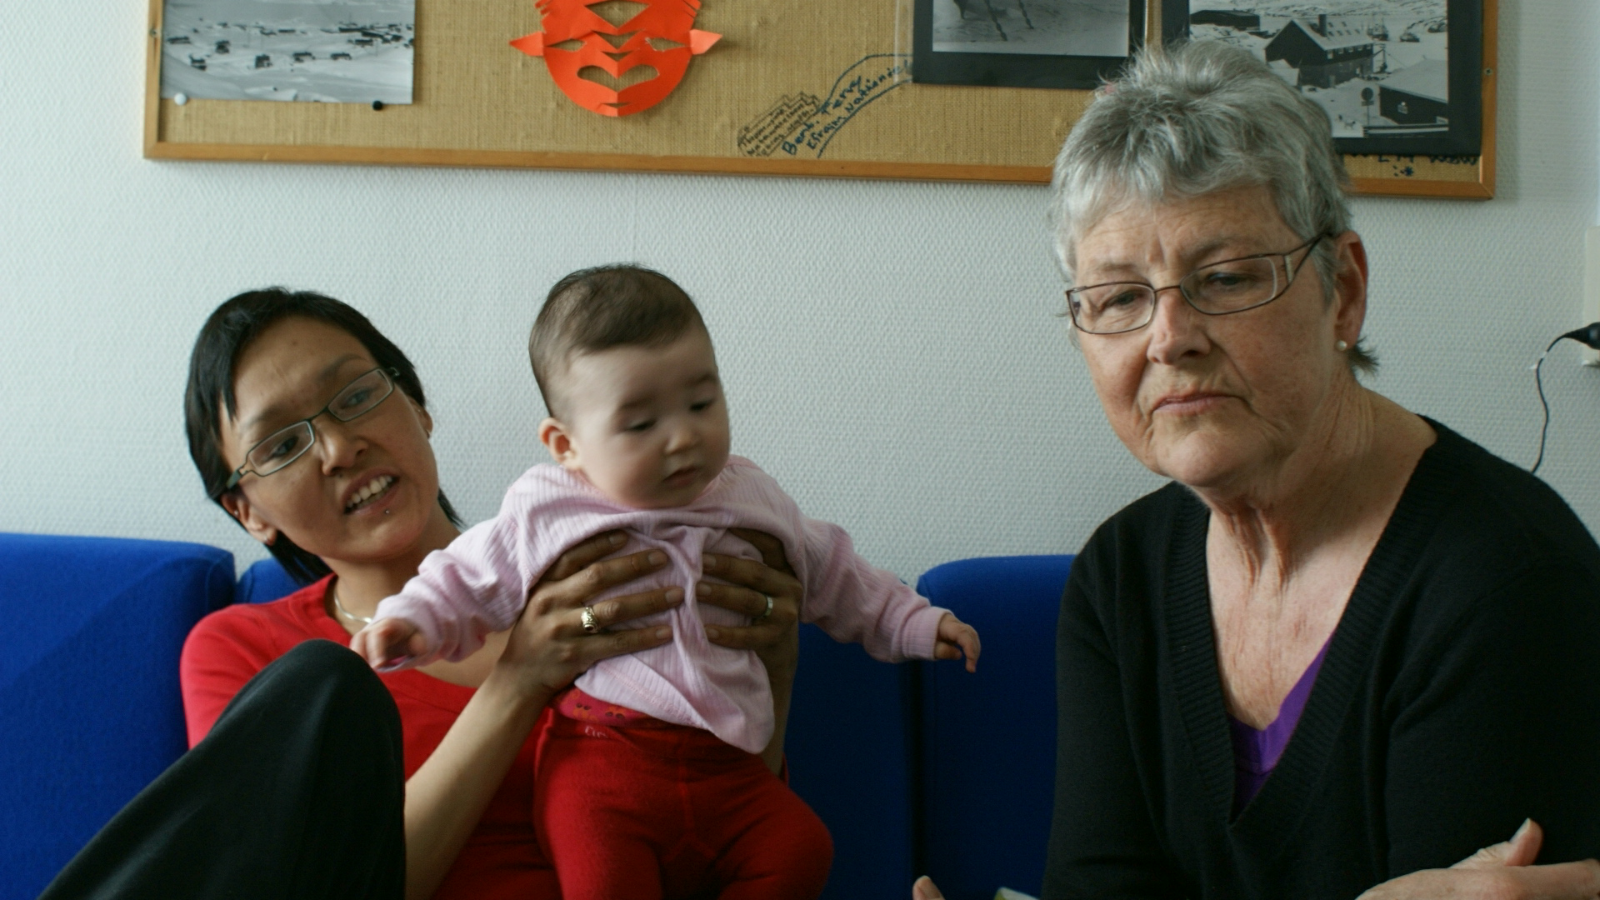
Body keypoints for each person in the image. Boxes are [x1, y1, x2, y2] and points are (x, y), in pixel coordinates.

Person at [921, 40, 1600, 900]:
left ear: (1342, 291)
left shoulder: (1504, 580)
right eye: (1121, 297)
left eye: (1227, 278)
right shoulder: (1120, 577)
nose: (1170, 339)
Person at [41, 286, 807, 900]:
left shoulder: (616, 576)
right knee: (324, 680)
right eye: (282, 444)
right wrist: (520, 681)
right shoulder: (248, 654)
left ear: (418, 406)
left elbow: (717, 846)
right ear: (248, 512)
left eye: (355, 397)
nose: (340, 448)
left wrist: (772, 663)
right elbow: (305, 883)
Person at [350, 265, 982, 900]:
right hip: (603, 763)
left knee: (801, 846)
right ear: (566, 445)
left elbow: (836, 569)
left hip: (727, 770)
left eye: (701, 404)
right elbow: (465, 574)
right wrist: (412, 619)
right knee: (604, 877)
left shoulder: (750, 497)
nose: (683, 437)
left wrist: (914, 622)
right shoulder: (549, 509)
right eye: (640, 424)